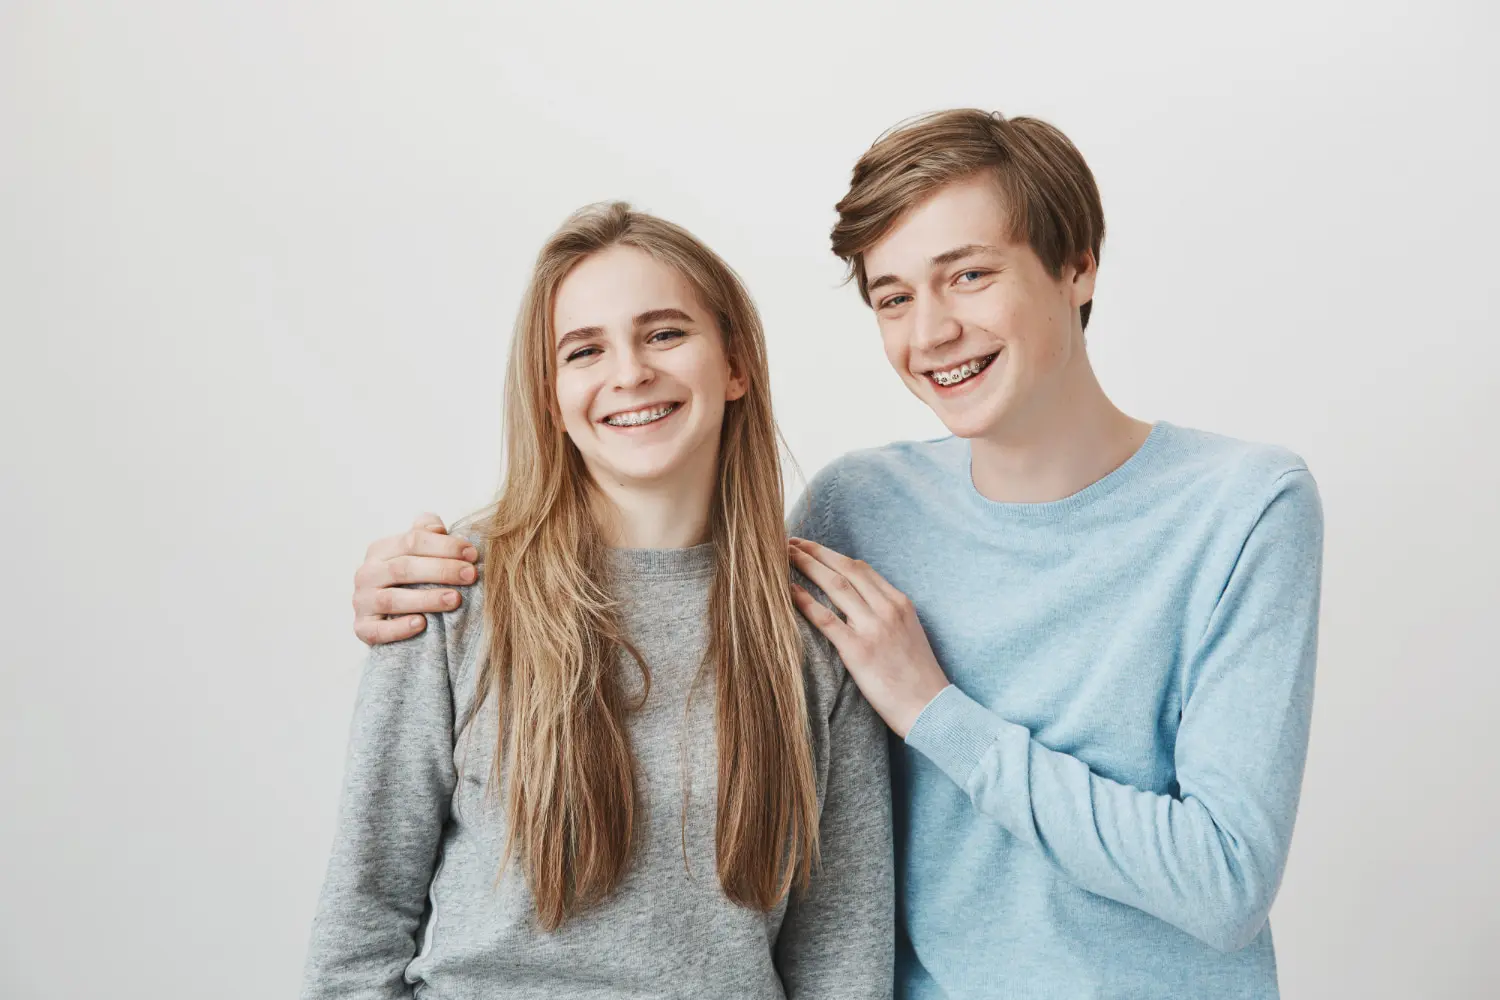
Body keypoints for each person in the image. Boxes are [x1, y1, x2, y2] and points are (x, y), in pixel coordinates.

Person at [350, 110, 1323, 1000]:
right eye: (893, 296)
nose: (931, 330)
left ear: (1078, 264)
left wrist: (933, 708)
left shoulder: (1242, 505)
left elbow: (1224, 879)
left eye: (969, 274)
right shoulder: (857, 513)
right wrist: (419, 584)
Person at [304, 203, 893, 1000]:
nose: (629, 373)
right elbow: (358, 932)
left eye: (664, 334)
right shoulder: (451, 596)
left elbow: (841, 962)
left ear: (735, 365)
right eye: (585, 350)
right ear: (550, 396)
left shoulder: (816, 630)